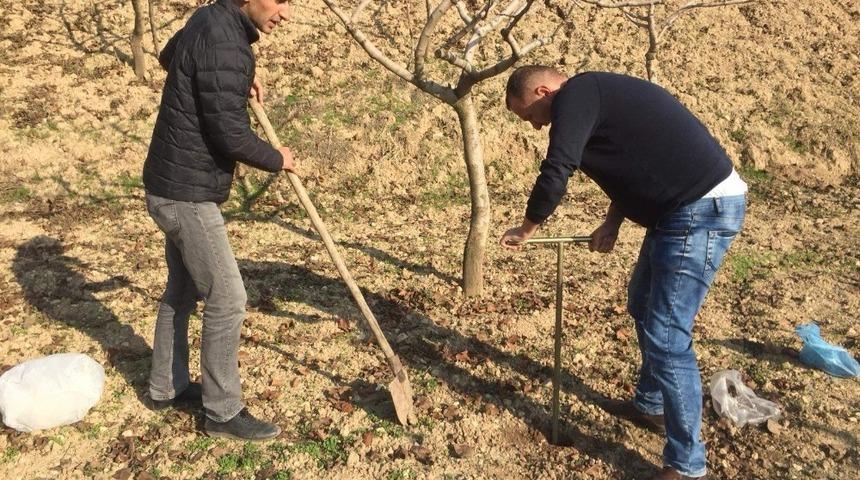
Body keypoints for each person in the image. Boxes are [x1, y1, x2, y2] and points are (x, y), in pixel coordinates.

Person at [500, 66, 747, 480]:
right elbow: (633, 163)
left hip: (700, 209)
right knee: (642, 304)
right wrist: (613, 221)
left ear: (543, 91)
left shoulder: (576, 96)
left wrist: (528, 228)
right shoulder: (593, 97)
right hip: (679, 209)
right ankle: (651, 404)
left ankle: (687, 465)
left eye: (529, 115)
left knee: (667, 337)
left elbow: (557, 168)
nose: (536, 126)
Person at [142, 0, 293, 441]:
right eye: (280, 0)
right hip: (186, 194)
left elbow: (171, 57)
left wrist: (232, 81)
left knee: (182, 289)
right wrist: (277, 158)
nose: (285, 13)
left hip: (167, 183)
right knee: (227, 297)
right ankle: (223, 413)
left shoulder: (209, 17)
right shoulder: (227, 42)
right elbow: (230, 135)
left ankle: (165, 387)